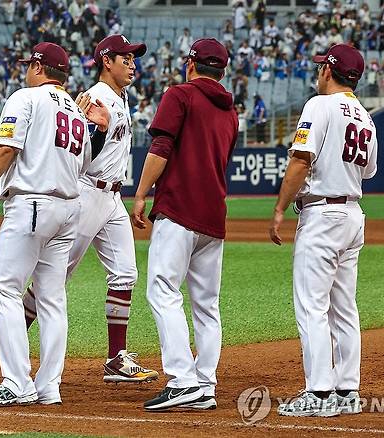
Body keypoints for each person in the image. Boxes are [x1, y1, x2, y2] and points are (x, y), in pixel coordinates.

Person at [6, 35, 159, 384]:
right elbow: (79, 148)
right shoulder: (94, 98)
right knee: (55, 278)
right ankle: (10, 338)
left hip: (113, 197)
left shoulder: (121, 97)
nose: (133, 63)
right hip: (88, 192)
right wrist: (94, 126)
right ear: (107, 61)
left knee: (125, 273)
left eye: (133, 58)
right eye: (126, 58)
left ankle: (116, 359)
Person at [0, 42, 109, 406]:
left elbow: (5, 149)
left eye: (29, 64)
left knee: (3, 289)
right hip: (68, 208)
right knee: (52, 299)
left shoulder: (26, 98)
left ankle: (17, 382)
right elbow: (85, 163)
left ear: (38, 67)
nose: (26, 70)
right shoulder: (78, 115)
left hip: (32, 203)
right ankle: (49, 386)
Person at [269, 43, 378, 417]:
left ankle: (318, 393)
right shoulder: (366, 115)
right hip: (352, 214)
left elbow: (300, 161)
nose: (318, 73)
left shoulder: (319, 106)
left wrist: (281, 206)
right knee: (344, 307)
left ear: (328, 71)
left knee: (312, 306)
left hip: (322, 215)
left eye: (321, 68)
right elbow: (368, 171)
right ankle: (347, 391)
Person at [132, 38, 238, 411]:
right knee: (206, 305)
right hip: (214, 214)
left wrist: (142, 192)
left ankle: (182, 380)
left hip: (179, 208)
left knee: (162, 291)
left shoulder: (180, 95)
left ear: (191, 64)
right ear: (222, 71)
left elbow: (161, 148)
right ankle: (204, 383)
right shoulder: (230, 111)